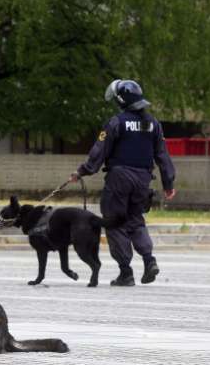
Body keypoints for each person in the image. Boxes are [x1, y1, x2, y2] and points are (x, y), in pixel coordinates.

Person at [70, 79, 176, 286]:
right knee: (136, 220)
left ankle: (125, 273)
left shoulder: (116, 122)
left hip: (119, 179)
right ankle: (149, 260)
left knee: (115, 222)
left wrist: (83, 171)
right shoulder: (153, 124)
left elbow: (99, 151)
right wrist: (168, 183)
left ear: (121, 100)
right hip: (143, 180)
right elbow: (163, 156)